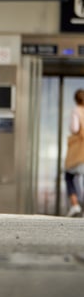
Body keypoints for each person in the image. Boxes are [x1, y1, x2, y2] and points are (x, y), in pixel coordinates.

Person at [64, 89, 84, 217]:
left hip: (80, 149)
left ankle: (75, 204)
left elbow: (75, 128)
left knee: (69, 175)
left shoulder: (76, 111)